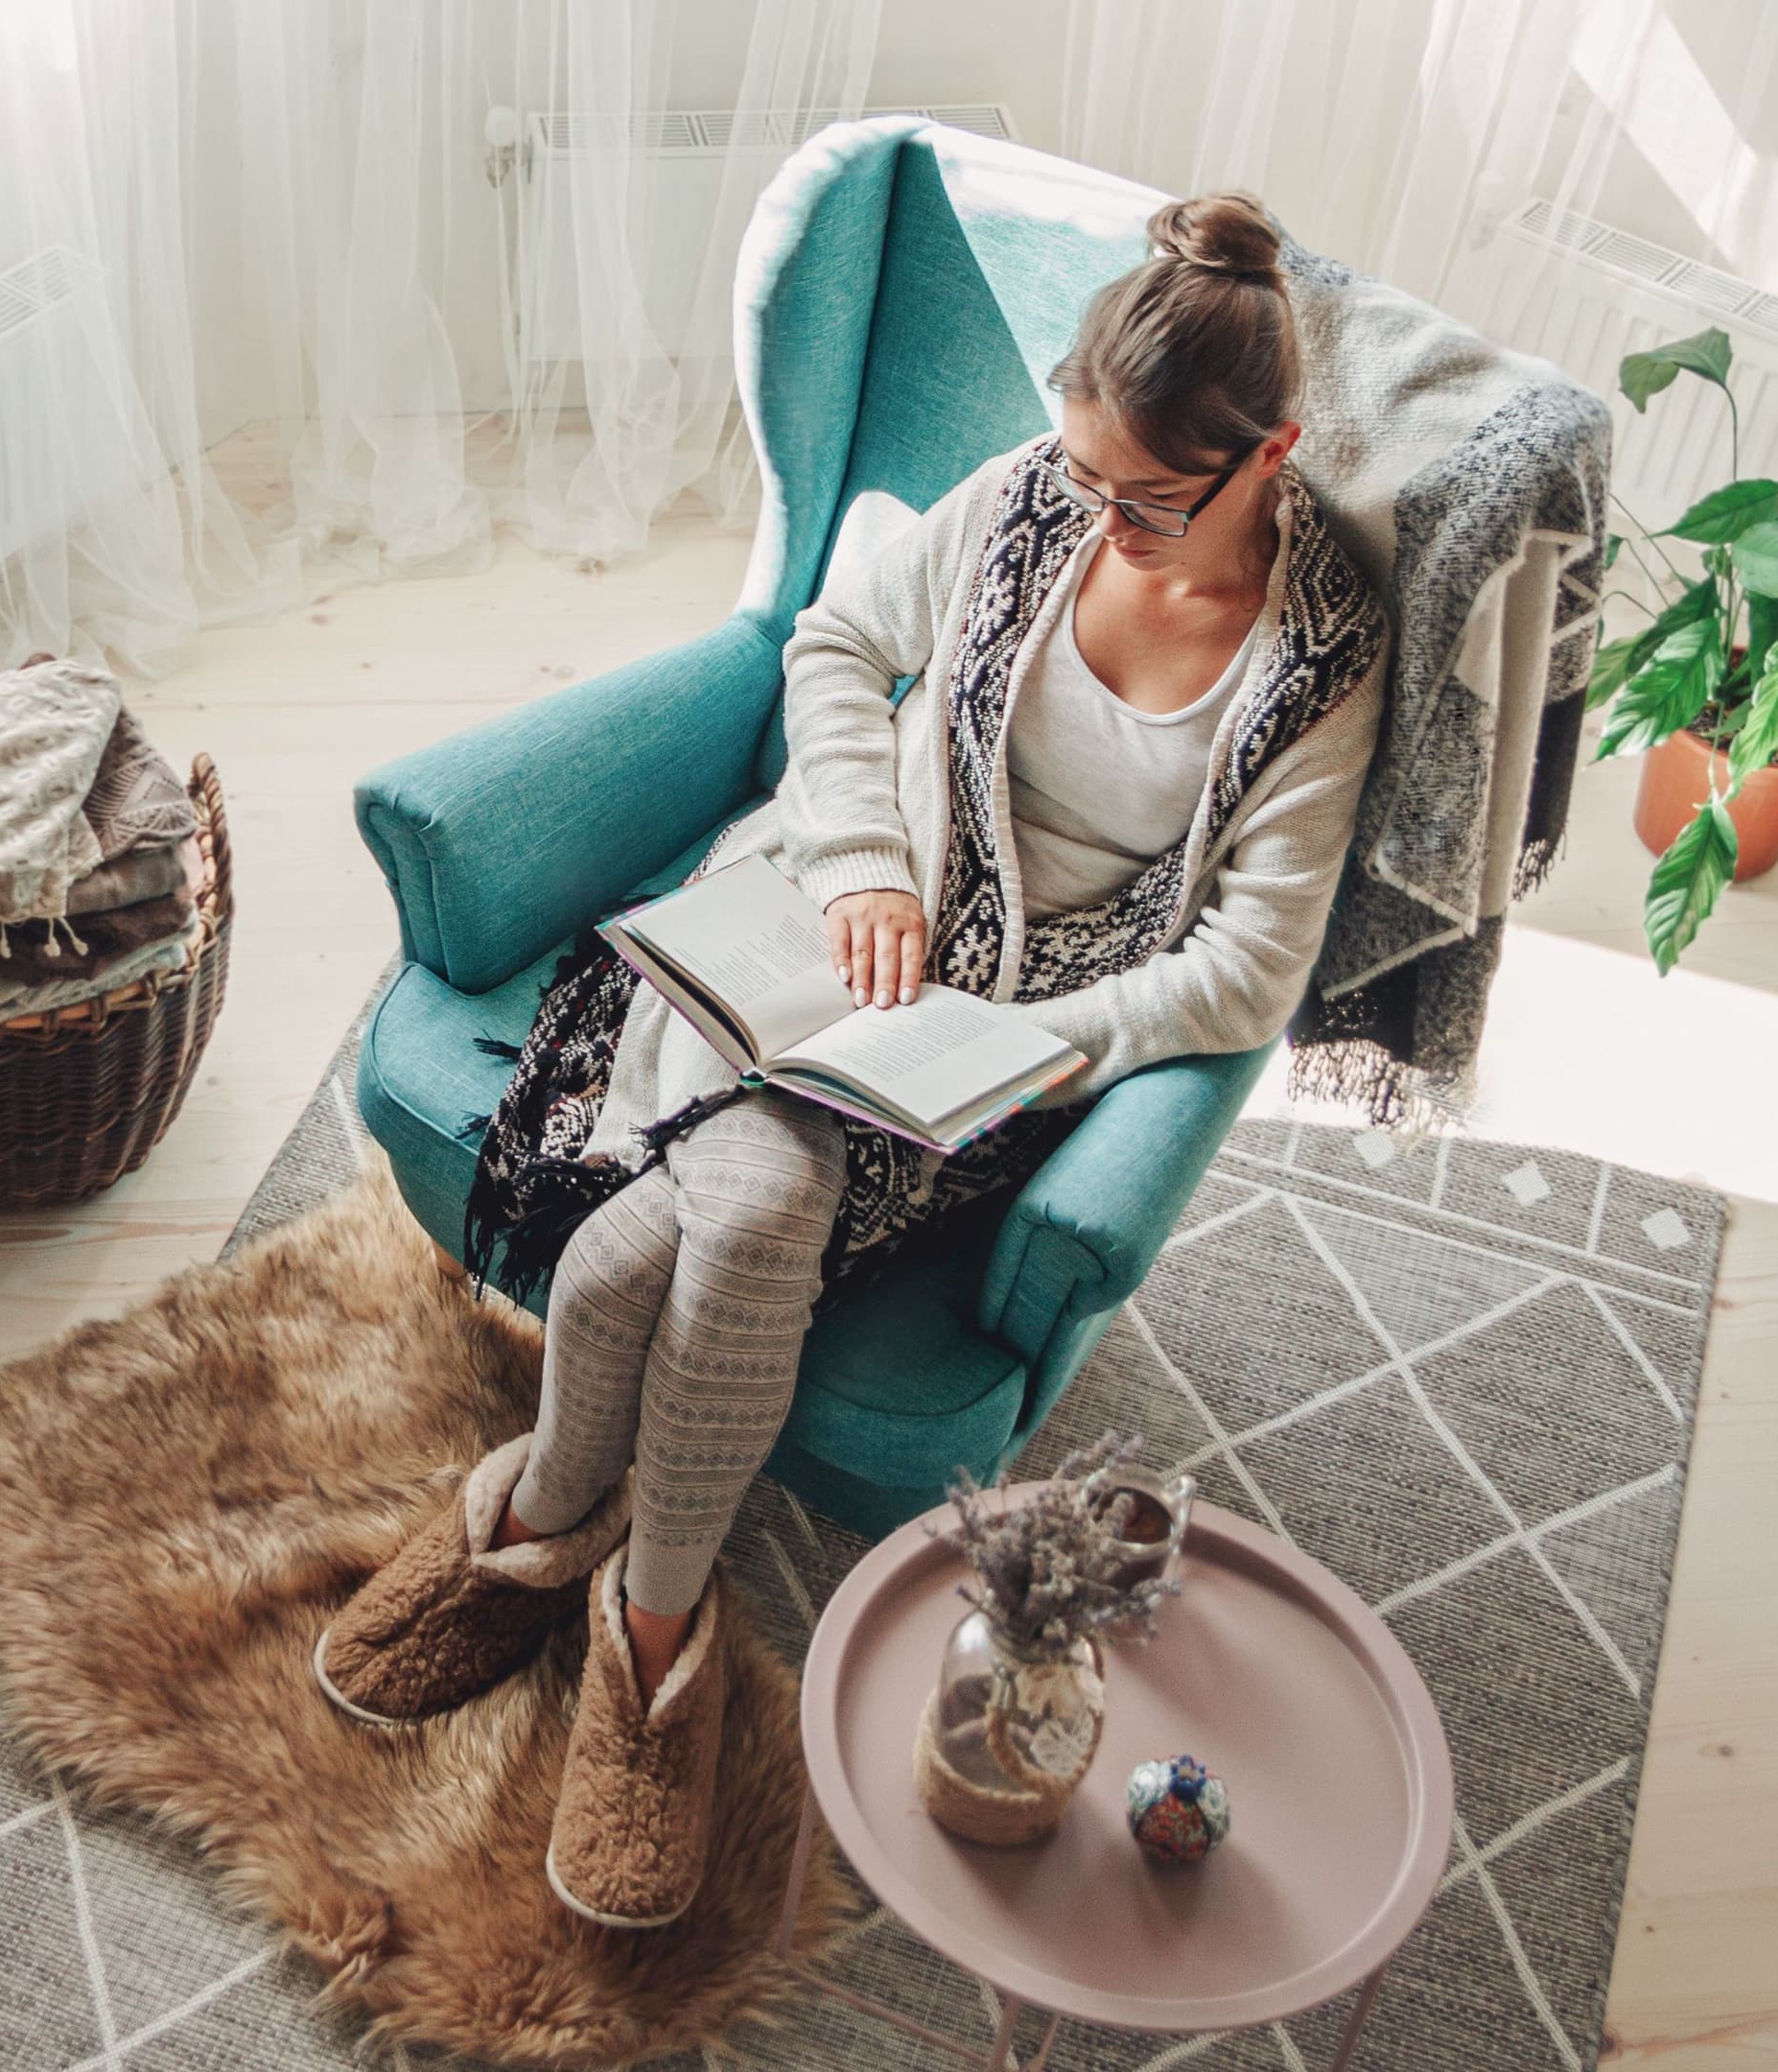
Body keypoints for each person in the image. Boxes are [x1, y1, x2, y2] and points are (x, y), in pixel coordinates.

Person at [315, 191, 1391, 1929]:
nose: (1097, 525)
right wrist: (864, 867)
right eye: (1080, 474)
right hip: (832, 908)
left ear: (1267, 453)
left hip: (1017, 1031)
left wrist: (1040, 1049)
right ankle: (623, 1610)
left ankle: (579, 1579)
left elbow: (1250, 968)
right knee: (724, 1232)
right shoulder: (1043, 492)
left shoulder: (1322, 656)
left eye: (1145, 501)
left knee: (669, 1251)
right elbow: (834, 641)